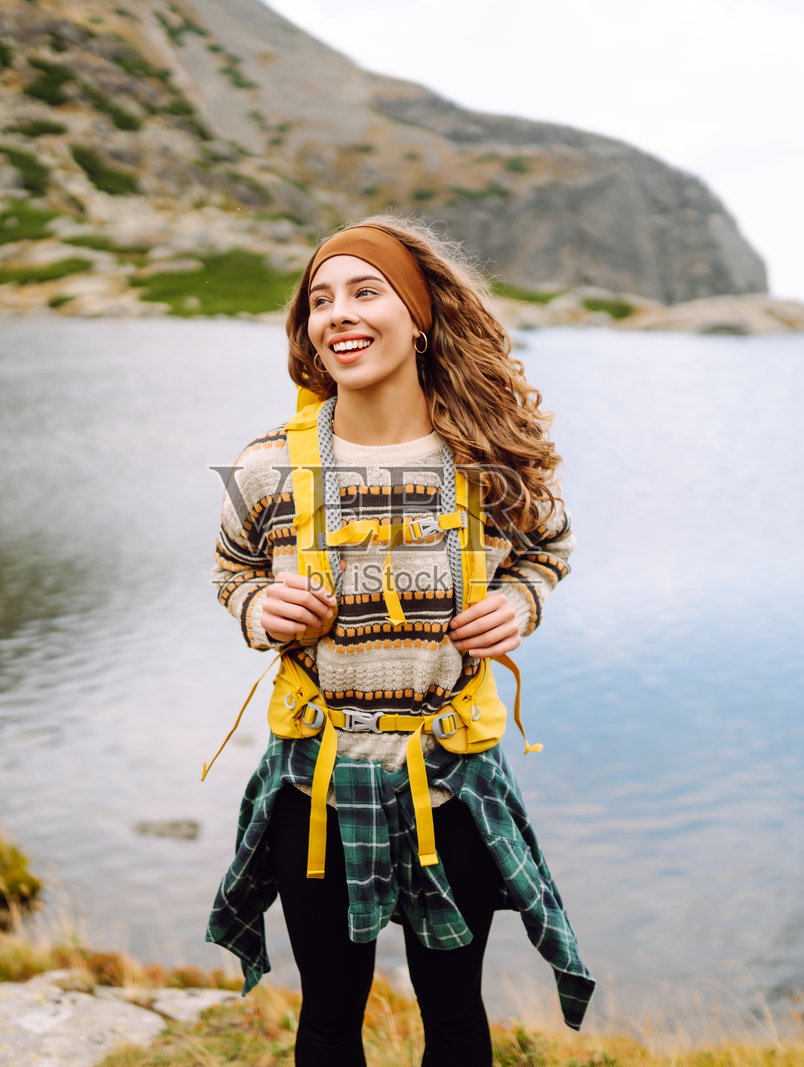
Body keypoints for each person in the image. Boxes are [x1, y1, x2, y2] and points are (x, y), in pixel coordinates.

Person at [206, 216, 593, 1065]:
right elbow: (232, 571)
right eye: (320, 300)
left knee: (455, 1014)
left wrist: (520, 602)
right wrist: (258, 610)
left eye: (364, 291)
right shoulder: (269, 466)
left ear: (419, 316)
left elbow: (548, 550)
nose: (338, 314)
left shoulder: (494, 460)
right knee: (328, 1015)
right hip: (312, 786)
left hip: (453, 780)